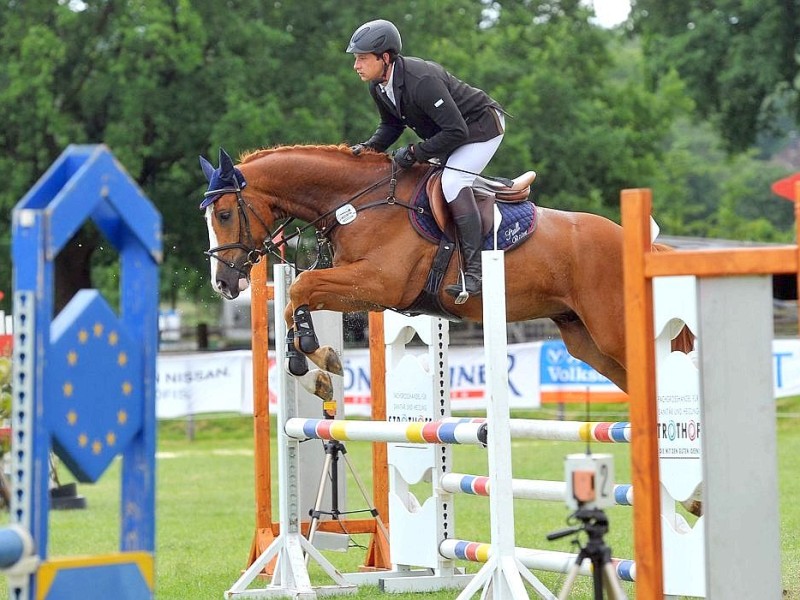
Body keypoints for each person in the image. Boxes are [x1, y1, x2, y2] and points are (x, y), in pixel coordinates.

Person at [347, 19, 506, 300]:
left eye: (361, 59)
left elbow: (457, 131)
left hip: (482, 128)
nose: (356, 66)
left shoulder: (421, 80)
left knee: (453, 181)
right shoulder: (378, 85)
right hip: (452, 134)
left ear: (385, 57)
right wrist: (369, 149)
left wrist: (415, 153)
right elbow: (391, 126)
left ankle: (475, 270)